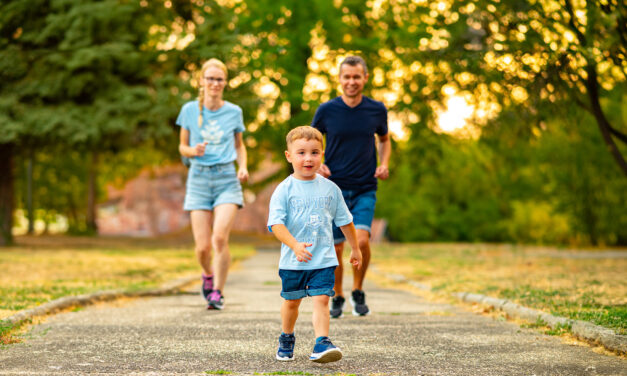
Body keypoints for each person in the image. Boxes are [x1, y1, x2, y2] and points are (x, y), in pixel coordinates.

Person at [267, 126, 362, 363]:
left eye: (314, 152)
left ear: (322, 155)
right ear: (289, 156)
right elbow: (276, 225)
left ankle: (322, 342)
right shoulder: (284, 190)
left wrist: (355, 247)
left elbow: (345, 221)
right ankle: (287, 337)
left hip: (323, 259)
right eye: (301, 152)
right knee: (292, 302)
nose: (308, 158)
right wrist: (295, 245)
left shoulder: (331, 189)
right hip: (293, 260)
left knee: (322, 298)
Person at [311, 55, 391, 318]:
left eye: (357, 77)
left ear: (365, 78)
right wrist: (317, 163)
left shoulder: (377, 109)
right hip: (334, 190)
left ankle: (358, 289)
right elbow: (312, 140)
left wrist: (384, 163)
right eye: (347, 77)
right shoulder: (326, 110)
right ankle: (338, 295)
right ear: (340, 79)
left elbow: (385, 139)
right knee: (335, 247)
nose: (352, 82)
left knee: (363, 240)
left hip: (365, 186)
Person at [177, 58, 249, 310]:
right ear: (201, 81)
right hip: (198, 179)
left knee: (219, 238)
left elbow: (240, 146)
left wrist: (243, 167)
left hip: (226, 179)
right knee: (202, 247)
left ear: (225, 82)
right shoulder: (189, 110)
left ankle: (218, 291)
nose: (214, 83)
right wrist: (193, 151)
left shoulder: (234, 112)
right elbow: (182, 146)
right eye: (210, 78)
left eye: (219, 79)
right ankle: (207, 274)